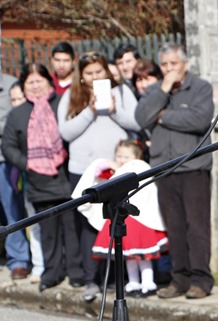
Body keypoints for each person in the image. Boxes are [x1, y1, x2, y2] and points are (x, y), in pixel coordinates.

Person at [58, 50, 141, 301]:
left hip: (117, 169)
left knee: (116, 223)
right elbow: (65, 132)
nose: (95, 77)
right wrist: (89, 111)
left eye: (99, 71)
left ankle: (118, 278)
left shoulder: (122, 92)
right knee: (88, 226)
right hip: (84, 171)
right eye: (89, 73)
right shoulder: (71, 96)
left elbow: (137, 122)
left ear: (106, 70)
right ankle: (90, 280)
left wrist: (114, 110)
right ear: (81, 76)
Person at [135, 42, 216, 300]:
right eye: (165, 65)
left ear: (185, 64)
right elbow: (141, 117)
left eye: (174, 64)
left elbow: (199, 120)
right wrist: (163, 91)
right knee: (174, 227)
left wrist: (162, 117)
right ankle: (178, 279)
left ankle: (201, 280)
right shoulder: (155, 91)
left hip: (193, 166)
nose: (170, 69)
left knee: (197, 226)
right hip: (164, 167)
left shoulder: (200, 87)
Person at [1, 63, 85, 292]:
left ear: (49, 81)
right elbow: (8, 146)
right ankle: (53, 271)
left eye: (40, 80)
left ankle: (77, 272)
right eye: (31, 82)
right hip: (38, 179)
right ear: (23, 85)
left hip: (65, 175)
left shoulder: (62, 103)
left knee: (71, 227)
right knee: (48, 232)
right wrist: (27, 163)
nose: (36, 86)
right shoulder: (17, 113)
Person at [72, 139, 167, 298]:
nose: (122, 160)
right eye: (119, 156)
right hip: (123, 220)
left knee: (143, 256)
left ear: (137, 157)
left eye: (126, 157)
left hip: (139, 221)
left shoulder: (140, 167)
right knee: (127, 256)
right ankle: (133, 282)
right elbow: (97, 170)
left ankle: (148, 282)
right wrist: (107, 165)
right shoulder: (113, 172)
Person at [0, 50, 30, 280]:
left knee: (13, 211)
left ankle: (19, 260)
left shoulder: (11, 85)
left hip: (4, 159)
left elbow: (19, 117)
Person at [9, 81, 44, 284]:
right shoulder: (14, 120)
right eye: (12, 100)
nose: (16, 104)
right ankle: (38, 265)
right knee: (33, 222)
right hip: (26, 177)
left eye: (19, 98)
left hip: (49, 178)